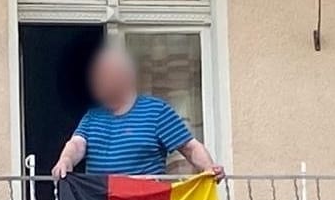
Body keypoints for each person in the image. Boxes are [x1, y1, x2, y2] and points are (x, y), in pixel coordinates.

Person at [50, 46, 225, 180]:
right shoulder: (92, 117)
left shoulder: (156, 112)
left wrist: (209, 169)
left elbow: (190, 148)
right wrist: (65, 160)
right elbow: (76, 145)